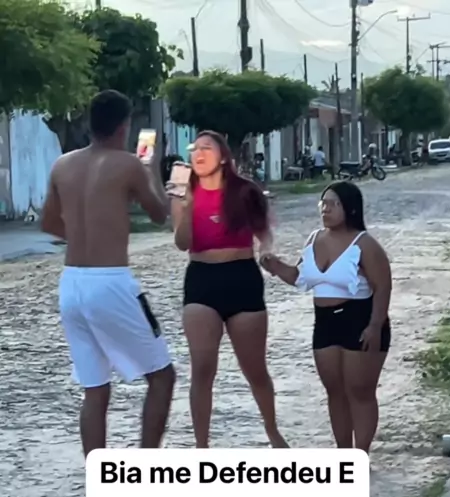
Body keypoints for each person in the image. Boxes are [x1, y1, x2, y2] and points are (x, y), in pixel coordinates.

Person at [40, 90, 175, 456]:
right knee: (162, 376)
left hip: (72, 283)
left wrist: (86, 236)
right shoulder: (129, 164)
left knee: (95, 388)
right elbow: (160, 213)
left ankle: (96, 475)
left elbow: (49, 223)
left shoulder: (62, 164)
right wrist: (151, 167)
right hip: (111, 281)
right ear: (124, 126)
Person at [170, 130, 288, 449]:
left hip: (241, 277)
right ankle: (201, 447)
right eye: (195, 148)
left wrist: (266, 251)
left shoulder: (244, 191)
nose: (199, 153)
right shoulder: (183, 191)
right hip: (201, 279)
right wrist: (184, 207)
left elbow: (264, 233)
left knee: (255, 369)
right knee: (202, 368)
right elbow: (181, 243)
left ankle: (273, 430)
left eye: (207, 148)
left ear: (223, 157)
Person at [261, 181, 391, 454]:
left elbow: (383, 287)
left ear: (350, 208)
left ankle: (361, 453)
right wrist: (275, 266)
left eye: (334, 204)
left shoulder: (365, 244)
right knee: (335, 391)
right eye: (323, 203)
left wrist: (375, 325)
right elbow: (300, 277)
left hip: (360, 319)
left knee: (360, 391)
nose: (326, 209)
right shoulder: (314, 238)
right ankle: (343, 453)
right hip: (325, 322)